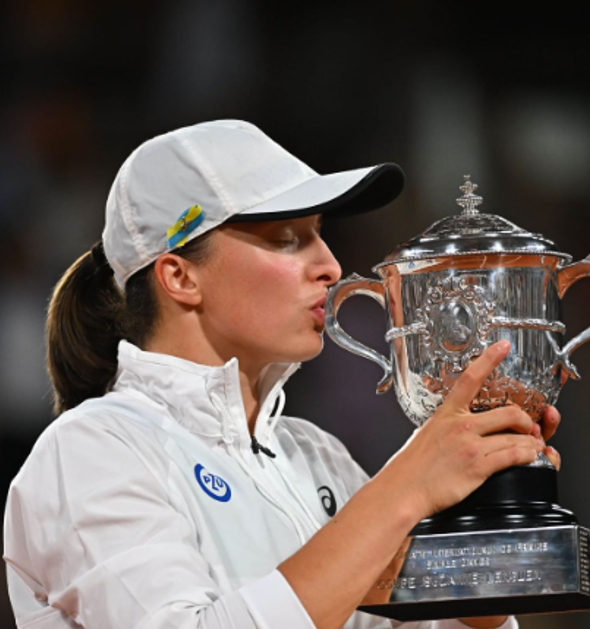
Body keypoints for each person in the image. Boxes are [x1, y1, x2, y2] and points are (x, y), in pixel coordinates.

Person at [3, 120, 560, 629]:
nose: (331, 266)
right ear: (180, 276)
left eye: (318, 232)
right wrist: (405, 489)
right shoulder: (93, 450)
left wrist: (471, 528)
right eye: (288, 238)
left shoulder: (317, 456)